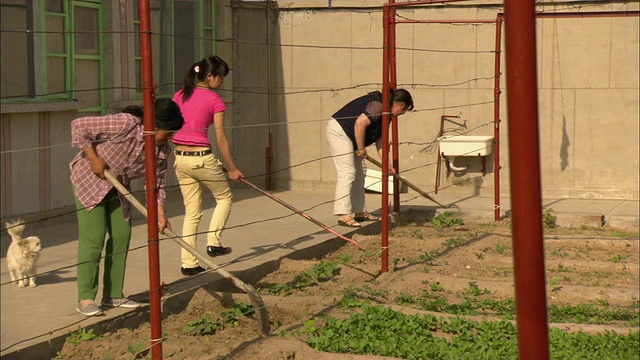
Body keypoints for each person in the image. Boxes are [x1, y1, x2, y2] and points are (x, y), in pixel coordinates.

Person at [70, 99, 184, 316]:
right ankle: (86, 298)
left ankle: (112, 295)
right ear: (153, 125)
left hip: (117, 187)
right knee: (94, 238)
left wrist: (160, 212)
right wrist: (94, 158)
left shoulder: (162, 150)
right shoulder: (126, 124)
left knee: (122, 235)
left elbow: (156, 183)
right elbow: (78, 126)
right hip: (89, 182)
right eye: (167, 133)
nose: (169, 139)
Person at [171, 55, 244, 277]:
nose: (222, 82)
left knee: (192, 212)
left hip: (180, 158)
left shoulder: (179, 94)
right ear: (210, 76)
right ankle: (213, 242)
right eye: (220, 77)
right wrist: (232, 168)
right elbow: (221, 138)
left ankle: (188, 263)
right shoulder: (215, 101)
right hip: (202, 157)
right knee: (224, 198)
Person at [326, 89, 414, 227]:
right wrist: (361, 148)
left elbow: (381, 141)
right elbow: (360, 124)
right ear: (401, 105)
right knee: (347, 172)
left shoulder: (387, 115)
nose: (402, 114)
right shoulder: (378, 105)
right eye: (404, 110)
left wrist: (387, 164)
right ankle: (343, 214)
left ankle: (359, 211)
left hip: (352, 137)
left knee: (361, 172)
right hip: (340, 131)